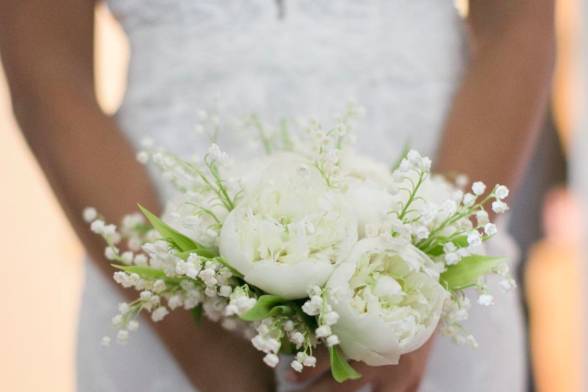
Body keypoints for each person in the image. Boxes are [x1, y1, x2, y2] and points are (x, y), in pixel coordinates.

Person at [0, 1, 555, 391]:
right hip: (164, 295)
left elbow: (517, 24)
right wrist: (204, 351)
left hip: (430, 276)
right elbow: (49, 68)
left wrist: (416, 298)